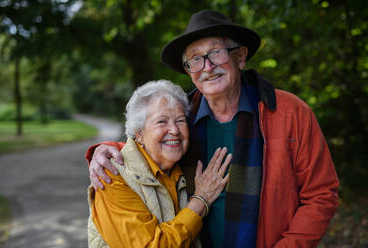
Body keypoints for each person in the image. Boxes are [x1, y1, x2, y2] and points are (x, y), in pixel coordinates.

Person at [86, 10, 339, 248]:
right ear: (188, 70)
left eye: (216, 53)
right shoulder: (186, 118)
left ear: (240, 57)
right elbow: (151, 146)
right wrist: (107, 149)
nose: (207, 67)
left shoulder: (289, 112)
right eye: (195, 59)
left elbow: (321, 196)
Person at [87, 80, 232, 247]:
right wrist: (201, 200)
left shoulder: (182, 165)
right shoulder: (111, 175)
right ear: (139, 134)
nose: (175, 130)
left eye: (180, 121)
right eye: (162, 121)